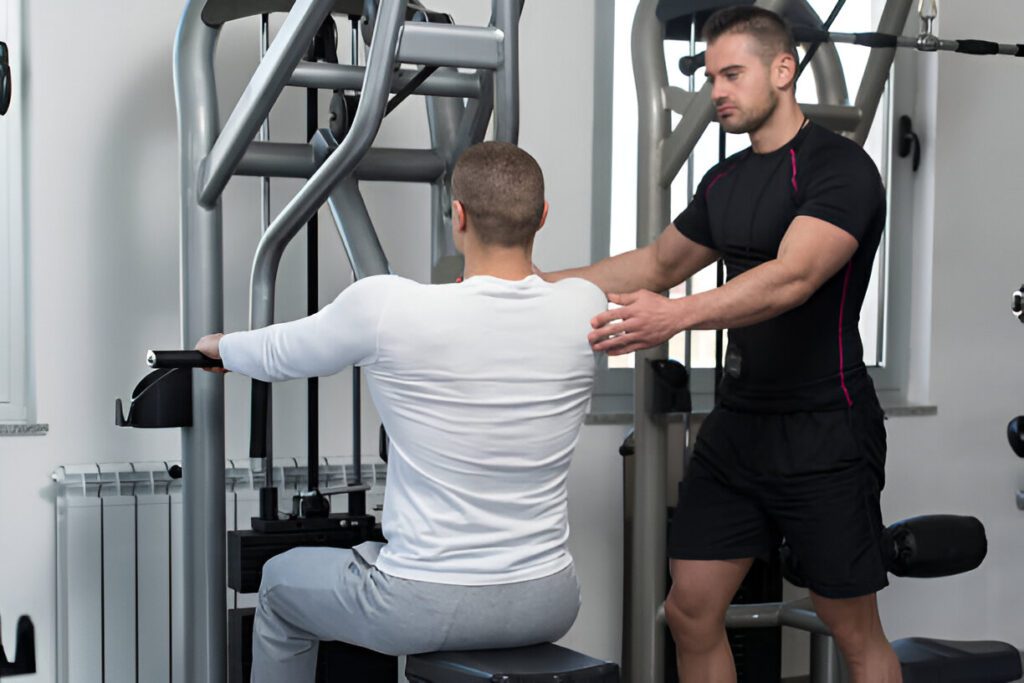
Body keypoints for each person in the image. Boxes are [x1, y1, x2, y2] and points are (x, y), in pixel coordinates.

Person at [542, 6, 899, 682]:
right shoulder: (725, 182)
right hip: (738, 430)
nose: (717, 92)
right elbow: (655, 265)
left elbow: (792, 277)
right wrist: (538, 284)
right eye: (710, 77)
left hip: (825, 427)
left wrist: (675, 318)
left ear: (783, 70)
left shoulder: (840, 170)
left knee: (853, 630)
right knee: (690, 610)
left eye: (731, 74)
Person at [196, 142, 608, 683]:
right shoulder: (587, 305)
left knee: (277, 582)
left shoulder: (388, 306)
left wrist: (221, 347)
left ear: (457, 216)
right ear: (543, 217)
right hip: (549, 598)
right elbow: (526, 299)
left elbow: (278, 353)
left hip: (425, 603)